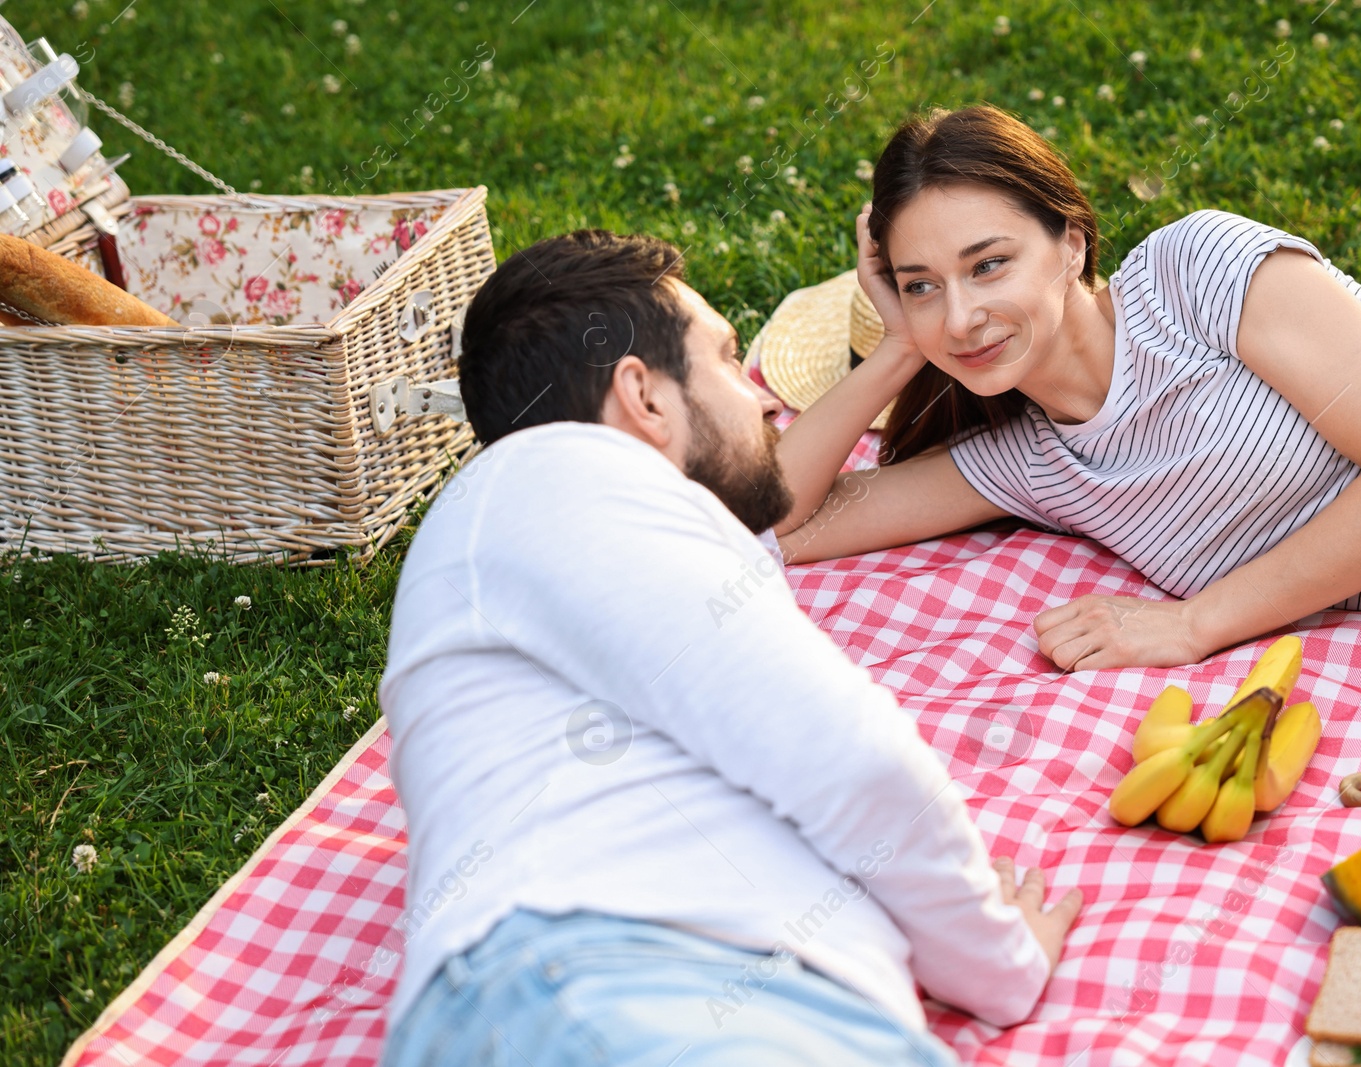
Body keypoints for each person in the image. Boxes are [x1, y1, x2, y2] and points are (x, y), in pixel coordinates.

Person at [377, 229, 1082, 1067]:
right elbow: (844, 755)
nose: (755, 394)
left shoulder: (568, 530)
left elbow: (778, 540)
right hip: (628, 993)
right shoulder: (553, 475)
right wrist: (1000, 958)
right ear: (643, 396)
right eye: (726, 356)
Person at [772, 104, 1361, 673]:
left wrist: (1192, 623)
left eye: (990, 264)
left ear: (1071, 244)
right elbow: (775, 527)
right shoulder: (1026, 464)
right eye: (922, 285)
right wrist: (894, 352)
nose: (962, 317)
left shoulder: (1189, 273)